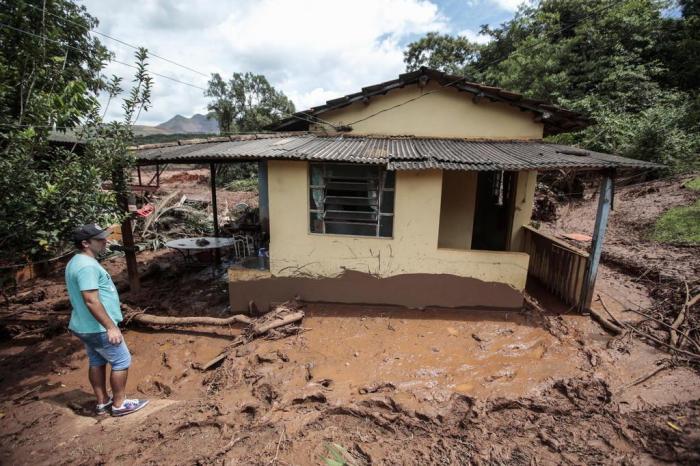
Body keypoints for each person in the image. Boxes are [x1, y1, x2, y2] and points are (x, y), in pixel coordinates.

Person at [65, 224, 148, 417]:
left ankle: (102, 402)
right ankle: (119, 404)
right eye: (100, 239)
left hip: (84, 325)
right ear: (85, 243)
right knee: (121, 360)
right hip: (97, 327)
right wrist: (110, 327)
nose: (105, 241)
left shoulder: (76, 261)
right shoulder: (86, 266)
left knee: (97, 361)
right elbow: (91, 300)